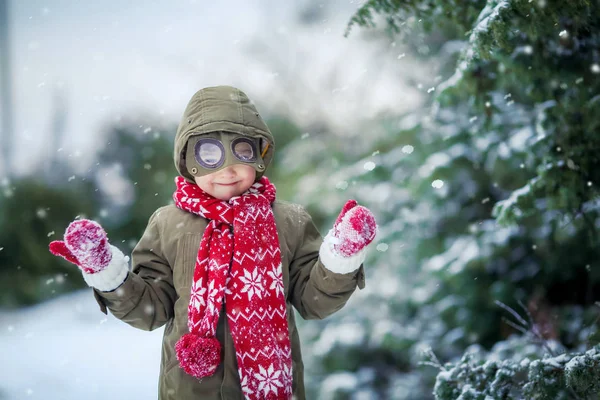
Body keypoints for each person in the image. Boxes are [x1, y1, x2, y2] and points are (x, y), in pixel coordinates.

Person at [49, 85, 377, 400]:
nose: (228, 169)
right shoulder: (168, 224)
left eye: (242, 151)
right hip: (192, 391)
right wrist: (105, 269)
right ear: (188, 160)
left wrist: (340, 256)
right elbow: (151, 309)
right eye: (209, 154)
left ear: (260, 155)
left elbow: (313, 300)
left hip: (272, 387)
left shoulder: (289, 222)